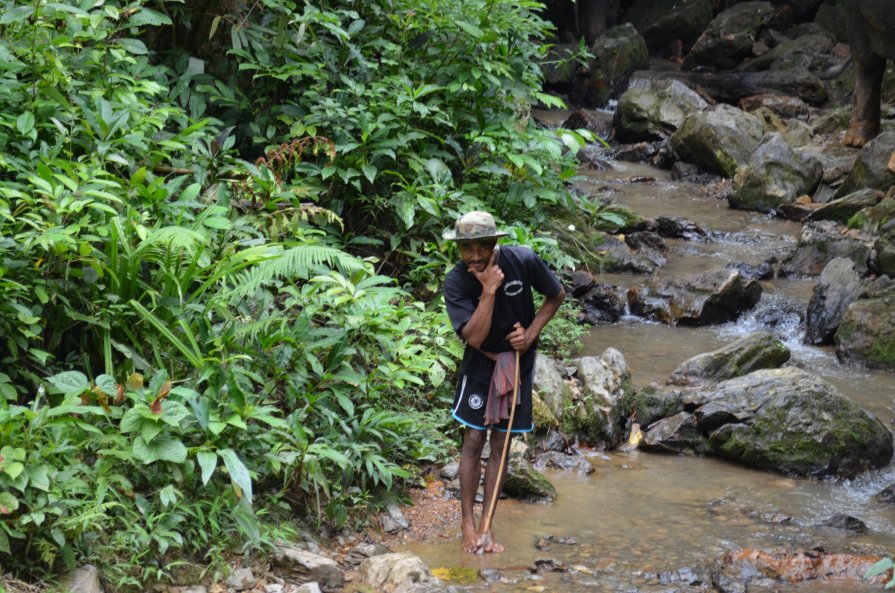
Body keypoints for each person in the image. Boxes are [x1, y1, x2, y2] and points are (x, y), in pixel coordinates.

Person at [442, 210, 565, 553]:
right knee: (473, 439)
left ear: (496, 243)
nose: (476, 255)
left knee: (501, 444)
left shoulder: (523, 260)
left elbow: (556, 295)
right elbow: (475, 338)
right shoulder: (456, 282)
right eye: (468, 249)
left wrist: (531, 333)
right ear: (459, 250)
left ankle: (487, 525)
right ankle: (467, 524)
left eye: (483, 246)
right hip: (481, 366)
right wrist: (489, 291)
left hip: (518, 366)